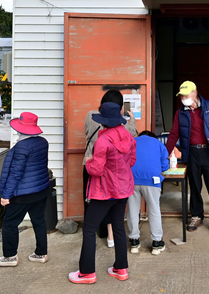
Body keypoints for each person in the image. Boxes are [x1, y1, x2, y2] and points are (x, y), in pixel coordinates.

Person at [69, 102, 136, 284]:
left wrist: (89, 161)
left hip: (104, 192)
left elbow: (96, 170)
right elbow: (131, 162)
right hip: (122, 190)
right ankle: (121, 269)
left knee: (89, 229)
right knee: (119, 228)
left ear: (104, 122)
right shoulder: (129, 137)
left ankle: (87, 273)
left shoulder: (103, 141)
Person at [166, 81, 209, 237]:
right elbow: (173, 134)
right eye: (182, 96)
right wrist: (165, 153)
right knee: (195, 187)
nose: (183, 98)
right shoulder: (181, 112)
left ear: (195, 93)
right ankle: (197, 216)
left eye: (186, 95)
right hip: (192, 153)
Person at [83, 89, 137, 248]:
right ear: (119, 107)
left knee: (92, 205)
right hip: (114, 172)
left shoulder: (90, 115)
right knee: (114, 208)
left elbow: (87, 132)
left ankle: (94, 238)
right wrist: (131, 120)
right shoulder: (123, 126)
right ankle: (111, 238)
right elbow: (132, 136)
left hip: (91, 164)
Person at [0, 112, 50, 267]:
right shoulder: (43, 142)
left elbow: (15, 173)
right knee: (39, 220)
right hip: (40, 190)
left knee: (10, 224)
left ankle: (10, 257)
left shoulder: (21, 146)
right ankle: (41, 253)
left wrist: (6, 195)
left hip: (22, 194)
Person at [127, 130, 169, 255]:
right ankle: (156, 242)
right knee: (154, 210)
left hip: (132, 180)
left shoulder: (132, 141)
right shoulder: (158, 143)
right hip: (152, 180)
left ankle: (134, 241)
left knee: (132, 210)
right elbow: (165, 165)